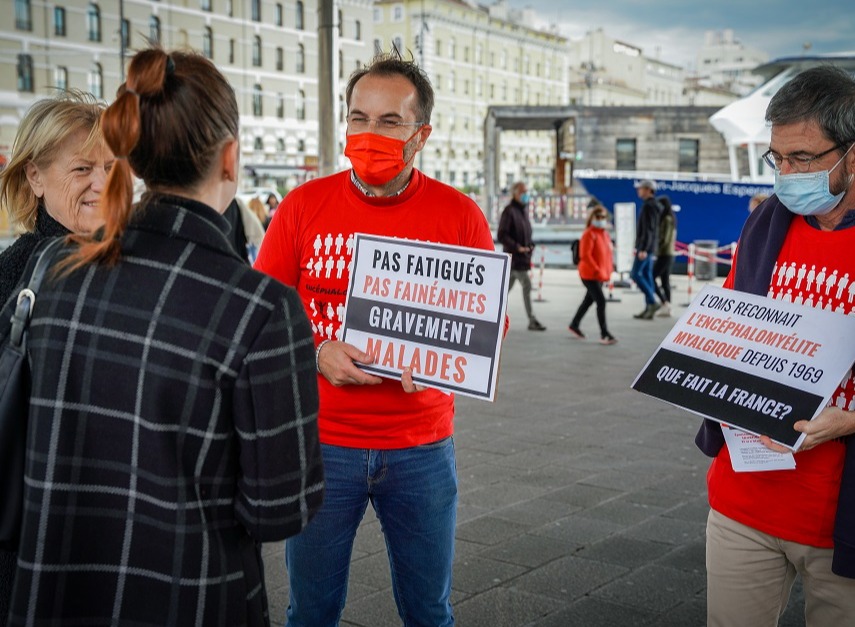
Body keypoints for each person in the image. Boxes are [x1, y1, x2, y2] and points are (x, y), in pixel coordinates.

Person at [0, 48, 324, 625]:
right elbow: (278, 510)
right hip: (192, 594)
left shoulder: (52, 271)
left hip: (55, 589)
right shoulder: (262, 308)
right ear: (231, 159)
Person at [254, 51, 498, 627]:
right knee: (310, 611)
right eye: (359, 118)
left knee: (428, 611)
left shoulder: (460, 216)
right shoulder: (302, 207)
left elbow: (488, 324)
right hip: (321, 448)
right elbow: (261, 314)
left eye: (390, 121)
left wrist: (439, 355)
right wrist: (316, 352)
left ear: (421, 135)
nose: (370, 133)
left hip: (422, 449)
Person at [695, 65, 855, 626]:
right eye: (777, 158)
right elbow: (738, 329)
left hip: (839, 521)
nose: (785, 174)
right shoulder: (767, 223)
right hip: (744, 502)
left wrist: (848, 421)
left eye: (803, 159)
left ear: (852, 156)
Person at [0, 90, 110, 626]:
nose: (101, 182)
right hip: (33, 530)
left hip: (114, 527)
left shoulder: (136, 265)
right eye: (83, 167)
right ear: (34, 178)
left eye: (111, 166)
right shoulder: (12, 274)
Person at [498, 181, 546, 331]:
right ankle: (532, 319)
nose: (526, 195)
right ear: (515, 194)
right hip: (514, 259)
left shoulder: (523, 211)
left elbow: (526, 232)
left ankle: (491, 312)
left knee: (505, 290)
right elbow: (502, 235)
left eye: (526, 192)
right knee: (527, 285)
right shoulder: (509, 211)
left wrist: (530, 244)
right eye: (523, 192)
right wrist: (517, 247)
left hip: (522, 258)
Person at [568, 205, 616, 344]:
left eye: (603, 217)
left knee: (588, 301)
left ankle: (574, 324)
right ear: (592, 218)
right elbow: (586, 256)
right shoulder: (589, 234)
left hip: (600, 275)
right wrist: (597, 270)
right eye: (598, 217)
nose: (601, 220)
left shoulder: (605, 234)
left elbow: (607, 255)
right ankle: (604, 333)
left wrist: (608, 270)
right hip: (589, 274)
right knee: (601, 301)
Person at [630, 179, 661, 319]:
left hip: (645, 248)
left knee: (635, 274)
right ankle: (649, 307)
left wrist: (643, 248)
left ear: (648, 190)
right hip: (650, 247)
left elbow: (649, 230)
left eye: (641, 188)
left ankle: (653, 301)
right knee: (647, 275)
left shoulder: (649, 207)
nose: (638, 191)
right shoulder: (652, 206)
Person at [652, 195, 677, 317]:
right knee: (664, 280)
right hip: (668, 253)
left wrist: (655, 249)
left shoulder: (667, 219)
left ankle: (664, 303)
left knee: (651, 278)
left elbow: (665, 239)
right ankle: (667, 307)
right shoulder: (670, 218)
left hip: (664, 254)